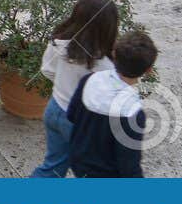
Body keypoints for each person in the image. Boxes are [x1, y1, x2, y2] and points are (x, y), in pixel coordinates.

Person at [29, 0, 119, 177]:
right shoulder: (103, 65)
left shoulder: (59, 43)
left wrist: (64, 84)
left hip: (54, 109)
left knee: (53, 165)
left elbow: (47, 70)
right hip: (80, 123)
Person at [67, 31, 158, 178]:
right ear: (148, 70)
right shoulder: (133, 113)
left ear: (114, 54)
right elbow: (129, 165)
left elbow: (71, 115)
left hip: (78, 161)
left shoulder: (89, 80)